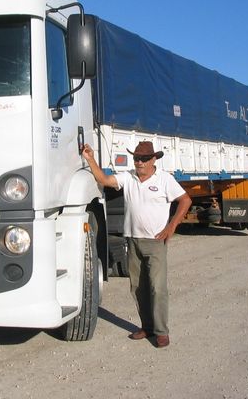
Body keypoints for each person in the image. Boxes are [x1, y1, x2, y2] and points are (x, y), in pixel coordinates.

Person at [82, 141, 191, 348]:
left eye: (143, 159)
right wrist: (90, 159)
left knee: (157, 288)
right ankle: (147, 327)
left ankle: (161, 332)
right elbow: (104, 180)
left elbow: (185, 201)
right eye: (136, 158)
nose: (139, 162)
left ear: (153, 160)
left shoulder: (165, 179)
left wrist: (172, 226)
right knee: (138, 288)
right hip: (132, 240)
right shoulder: (128, 177)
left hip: (155, 242)